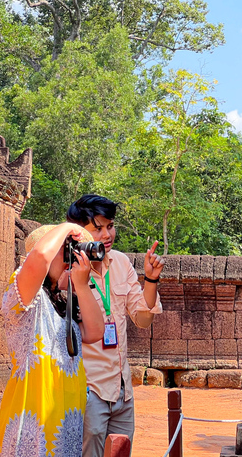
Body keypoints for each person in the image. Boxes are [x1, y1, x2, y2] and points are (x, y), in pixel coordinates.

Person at [66, 195, 165, 457]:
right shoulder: (67, 273)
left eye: (110, 225)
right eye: (97, 228)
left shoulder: (121, 263)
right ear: (77, 232)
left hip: (122, 390)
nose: (107, 234)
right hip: (90, 390)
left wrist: (151, 281)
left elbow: (143, 320)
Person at [0, 223, 105, 457]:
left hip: (64, 429)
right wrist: (68, 227)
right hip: (33, 425)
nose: (71, 260)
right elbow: (39, 258)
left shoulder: (63, 306)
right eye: (67, 253)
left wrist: (82, 285)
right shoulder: (25, 298)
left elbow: (96, 332)